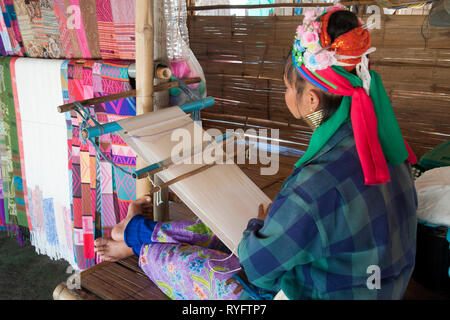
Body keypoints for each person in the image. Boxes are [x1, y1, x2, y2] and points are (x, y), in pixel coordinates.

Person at [94, 6, 418, 300]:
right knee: (220, 228)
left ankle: (139, 245)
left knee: (191, 263)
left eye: (289, 87)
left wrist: (257, 230)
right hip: (380, 286)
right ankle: (137, 232)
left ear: (311, 101)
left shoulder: (315, 188)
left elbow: (257, 272)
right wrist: (265, 228)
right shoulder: (382, 144)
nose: (286, 93)